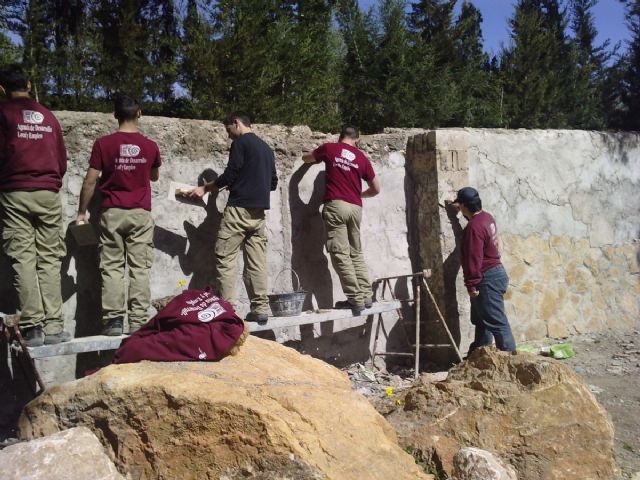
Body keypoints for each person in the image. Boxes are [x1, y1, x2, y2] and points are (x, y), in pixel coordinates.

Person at [77, 95, 161, 336]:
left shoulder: (103, 144)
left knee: (112, 267)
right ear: (140, 114)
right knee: (140, 268)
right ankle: (138, 321)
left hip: (111, 213)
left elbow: (90, 180)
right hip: (140, 214)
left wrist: (82, 212)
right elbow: (153, 177)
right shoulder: (150, 146)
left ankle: (113, 321)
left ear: (115, 115)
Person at [0, 64, 68, 347]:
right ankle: (54, 326)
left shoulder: (3, 114)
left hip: (15, 191)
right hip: (48, 193)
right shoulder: (48, 117)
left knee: (23, 257)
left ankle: (33, 327)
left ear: (2, 89)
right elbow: (61, 161)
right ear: (29, 84)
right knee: (50, 259)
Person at [187, 112, 277, 323]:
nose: (229, 136)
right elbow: (272, 183)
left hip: (238, 210)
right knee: (257, 262)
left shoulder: (241, 143)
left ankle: (228, 310)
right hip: (258, 214)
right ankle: (260, 308)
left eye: (229, 130)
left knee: (225, 258)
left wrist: (206, 188)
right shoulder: (266, 149)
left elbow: (230, 175)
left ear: (236, 123)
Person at [302, 126, 380, 313]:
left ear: (341, 137)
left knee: (340, 254)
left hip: (336, 205)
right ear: (357, 140)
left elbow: (307, 158)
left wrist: (307, 157)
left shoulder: (330, 148)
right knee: (355, 253)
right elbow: (376, 189)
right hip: (355, 207)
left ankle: (355, 298)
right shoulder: (362, 158)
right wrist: (359, 194)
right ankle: (366, 295)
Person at [448, 187, 516, 354]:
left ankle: (511, 360)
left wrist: (471, 284)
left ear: (464, 205)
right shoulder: (486, 218)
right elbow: (473, 220)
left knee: (497, 322)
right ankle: (479, 357)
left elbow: (473, 258)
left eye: (460, 205)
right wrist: (463, 211)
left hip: (487, 277)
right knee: (482, 320)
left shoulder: (473, 228)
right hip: (495, 273)